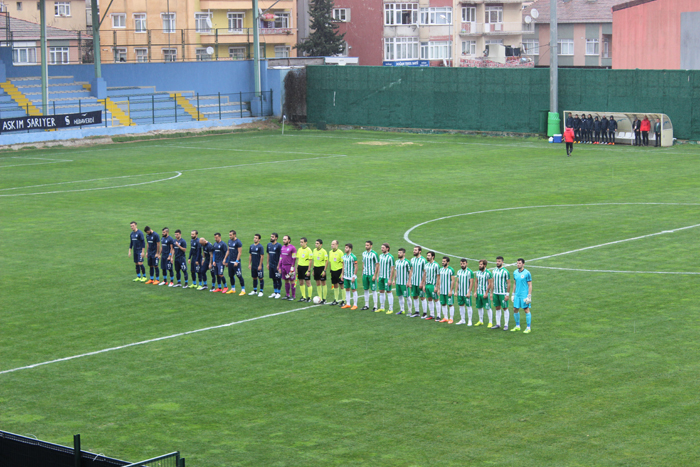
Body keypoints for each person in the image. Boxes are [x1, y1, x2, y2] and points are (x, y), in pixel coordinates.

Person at [511, 258, 533, 333]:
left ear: (523, 264)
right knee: (515, 309)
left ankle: (528, 327)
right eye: (517, 263)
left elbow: (530, 285)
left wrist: (529, 295)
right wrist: (513, 294)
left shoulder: (527, 273)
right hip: (517, 294)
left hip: (524, 295)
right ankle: (517, 326)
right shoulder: (515, 272)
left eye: (519, 263)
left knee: (526, 310)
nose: (518, 264)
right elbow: (515, 283)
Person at [491, 256, 510, 330]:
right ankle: (498, 323)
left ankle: (506, 324)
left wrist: (507, 294)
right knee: (497, 308)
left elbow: (508, 283)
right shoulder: (494, 271)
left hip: (503, 293)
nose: (497, 262)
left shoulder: (505, 271)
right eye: (497, 261)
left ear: (502, 262)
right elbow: (492, 282)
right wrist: (491, 293)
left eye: (499, 261)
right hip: (496, 292)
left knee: (505, 308)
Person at [435, 256, 456, 323]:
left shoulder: (451, 270)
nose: (443, 262)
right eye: (442, 261)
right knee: (443, 304)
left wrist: (451, 290)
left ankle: (451, 318)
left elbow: (453, 281)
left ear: (448, 262)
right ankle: (445, 317)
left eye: (444, 261)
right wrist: (438, 289)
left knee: (450, 304)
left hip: (448, 290)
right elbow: (439, 279)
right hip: (442, 290)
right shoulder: (440, 270)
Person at [224, 230, 245, 295]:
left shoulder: (238, 242)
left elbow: (239, 252)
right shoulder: (229, 241)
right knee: (231, 275)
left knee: (239, 276)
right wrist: (225, 259)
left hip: (236, 262)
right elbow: (228, 251)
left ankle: (243, 290)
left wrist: (237, 261)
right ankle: (233, 289)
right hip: (230, 261)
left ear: (234, 235)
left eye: (231, 235)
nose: (230, 236)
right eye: (229, 235)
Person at [376, 243, 395, 314]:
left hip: (387, 277)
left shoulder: (391, 257)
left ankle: (391, 308)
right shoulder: (380, 256)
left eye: (383, 247)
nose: (381, 249)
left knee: (388, 292)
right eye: (381, 247)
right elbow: (379, 266)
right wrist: (378, 276)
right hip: (381, 277)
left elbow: (392, 268)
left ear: (387, 248)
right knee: (381, 291)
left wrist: (390, 279)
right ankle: (382, 307)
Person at [360, 241, 379, 310]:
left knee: (373, 290)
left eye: (367, 245)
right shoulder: (364, 253)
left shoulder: (374, 254)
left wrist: (375, 275)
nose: (366, 246)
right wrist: (362, 273)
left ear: (371, 246)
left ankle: (375, 306)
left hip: (371, 274)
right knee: (365, 289)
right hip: (365, 274)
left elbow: (377, 264)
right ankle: (366, 305)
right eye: (365, 245)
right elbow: (363, 263)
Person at [455, 258, 474, 325]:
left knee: (468, 306)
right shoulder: (459, 271)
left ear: (466, 264)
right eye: (461, 264)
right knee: (461, 306)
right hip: (460, 292)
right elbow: (457, 282)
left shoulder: (470, 272)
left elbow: (471, 282)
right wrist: (456, 291)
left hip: (466, 293)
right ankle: (462, 319)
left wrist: (469, 292)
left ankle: (470, 320)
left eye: (463, 263)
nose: (462, 265)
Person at [409, 246, 427, 318]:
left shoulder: (423, 260)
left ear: (420, 251)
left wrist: (422, 283)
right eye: (414, 250)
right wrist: (409, 281)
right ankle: (417, 312)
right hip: (413, 282)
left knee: (422, 297)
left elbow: (425, 272)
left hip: (420, 282)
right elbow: (411, 271)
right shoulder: (412, 259)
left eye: (415, 250)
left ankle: (425, 313)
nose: (414, 251)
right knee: (415, 296)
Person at [340, 243, 359, 310]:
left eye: (347, 248)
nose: (345, 249)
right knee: (347, 289)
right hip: (346, 276)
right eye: (345, 247)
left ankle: (355, 304)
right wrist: (342, 275)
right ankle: (348, 303)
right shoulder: (344, 256)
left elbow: (356, 267)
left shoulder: (353, 257)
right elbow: (343, 266)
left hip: (351, 276)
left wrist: (354, 276)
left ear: (350, 249)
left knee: (353, 290)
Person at [474, 259, 492, 326]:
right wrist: (475, 291)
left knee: (488, 307)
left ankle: (490, 322)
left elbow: (490, 284)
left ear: (484, 265)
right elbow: (476, 282)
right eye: (479, 264)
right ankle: (480, 320)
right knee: (479, 307)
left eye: (481, 264)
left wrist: (487, 293)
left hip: (484, 293)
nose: (480, 265)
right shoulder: (478, 272)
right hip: (479, 292)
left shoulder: (488, 273)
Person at [393, 248, 412, 315]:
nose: (399, 254)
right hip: (398, 282)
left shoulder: (407, 262)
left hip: (404, 283)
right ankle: (402, 309)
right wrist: (393, 280)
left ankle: (410, 311)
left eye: (400, 253)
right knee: (400, 296)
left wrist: (409, 281)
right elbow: (396, 271)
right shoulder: (397, 262)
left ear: (404, 254)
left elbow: (410, 272)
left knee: (407, 297)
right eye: (398, 252)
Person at [278, 235, 297, 300]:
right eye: (283, 239)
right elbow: (281, 257)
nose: (284, 241)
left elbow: (294, 258)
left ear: (289, 240)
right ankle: (287, 294)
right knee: (286, 280)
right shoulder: (282, 247)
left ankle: (293, 296)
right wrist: (280, 267)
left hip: (290, 267)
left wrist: (292, 267)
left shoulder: (292, 248)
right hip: (283, 266)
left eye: (285, 239)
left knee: (292, 280)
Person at [422, 251, 440, 320]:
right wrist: (424, 285)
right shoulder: (426, 265)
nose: (427, 257)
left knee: (436, 299)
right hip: (427, 285)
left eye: (429, 256)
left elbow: (438, 276)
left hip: (433, 285)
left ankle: (438, 315)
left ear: (433, 257)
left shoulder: (436, 265)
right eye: (427, 255)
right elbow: (425, 275)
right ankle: (432, 314)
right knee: (429, 299)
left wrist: (437, 287)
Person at [296, 237, 313, 302]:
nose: (301, 243)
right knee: (301, 282)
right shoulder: (299, 249)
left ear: (306, 242)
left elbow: (310, 261)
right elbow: (298, 259)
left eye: (302, 242)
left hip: (305, 268)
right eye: (300, 242)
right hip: (300, 267)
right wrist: (297, 268)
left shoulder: (309, 250)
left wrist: (308, 270)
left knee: (308, 282)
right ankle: (303, 297)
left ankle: (309, 297)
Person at [327, 240, 344, 305]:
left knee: (341, 285)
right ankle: (336, 300)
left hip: (339, 270)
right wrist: (330, 269)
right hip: (333, 271)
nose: (332, 245)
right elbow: (330, 262)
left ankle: (343, 300)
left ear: (337, 245)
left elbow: (343, 263)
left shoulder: (340, 252)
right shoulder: (330, 252)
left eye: (333, 244)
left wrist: (342, 273)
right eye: (331, 244)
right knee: (335, 285)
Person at [267, 233, 282, 298]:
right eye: (271, 236)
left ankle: (278, 292)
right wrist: (267, 263)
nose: (271, 238)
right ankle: (275, 292)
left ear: (276, 238)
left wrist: (279, 265)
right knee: (273, 278)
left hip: (277, 265)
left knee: (278, 278)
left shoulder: (279, 246)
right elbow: (268, 254)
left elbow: (281, 256)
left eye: (273, 237)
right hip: (271, 264)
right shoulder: (269, 245)